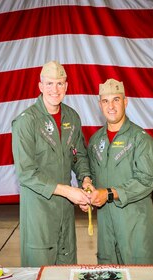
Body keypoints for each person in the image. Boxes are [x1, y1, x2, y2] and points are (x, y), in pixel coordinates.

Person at [12, 61, 93, 267]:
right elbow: (26, 173)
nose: (54, 89)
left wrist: (85, 179)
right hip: (39, 211)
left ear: (66, 86)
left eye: (59, 83)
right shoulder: (26, 121)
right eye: (49, 84)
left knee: (67, 277)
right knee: (38, 277)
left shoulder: (72, 117)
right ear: (40, 86)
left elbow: (79, 155)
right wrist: (68, 191)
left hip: (65, 212)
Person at [85, 78, 153, 265]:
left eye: (116, 100)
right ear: (100, 104)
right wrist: (89, 195)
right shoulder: (95, 141)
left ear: (125, 102)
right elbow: (94, 178)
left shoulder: (141, 140)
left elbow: (145, 182)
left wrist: (110, 193)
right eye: (105, 101)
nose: (110, 106)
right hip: (106, 230)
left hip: (135, 228)